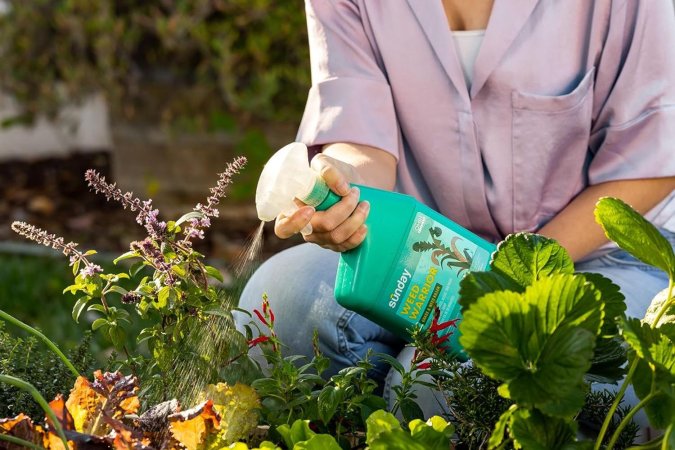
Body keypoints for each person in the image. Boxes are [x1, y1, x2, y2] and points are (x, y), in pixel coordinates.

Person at [237, 0, 675, 436]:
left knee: (447, 386)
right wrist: (344, 185)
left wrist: (506, 278)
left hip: (601, 256)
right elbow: (359, 135)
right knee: (278, 306)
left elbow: (651, 163)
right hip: (413, 252)